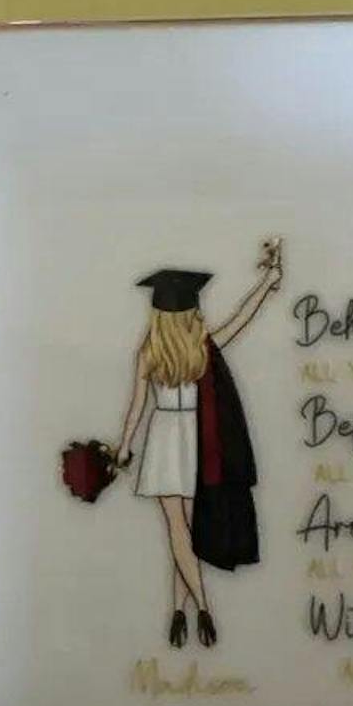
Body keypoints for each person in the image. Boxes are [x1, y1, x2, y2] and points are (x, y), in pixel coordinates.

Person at [116, 241, 282, 647]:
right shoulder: (202, 346)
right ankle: (183, 612)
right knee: (188, 533)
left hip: (163, 438)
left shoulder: (149, 352)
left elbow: (136, 407)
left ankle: (196, 610)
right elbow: (242, 317)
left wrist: (124, 447)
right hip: (197, 439)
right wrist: (267, 283)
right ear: (192, 311)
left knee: (179, 531)